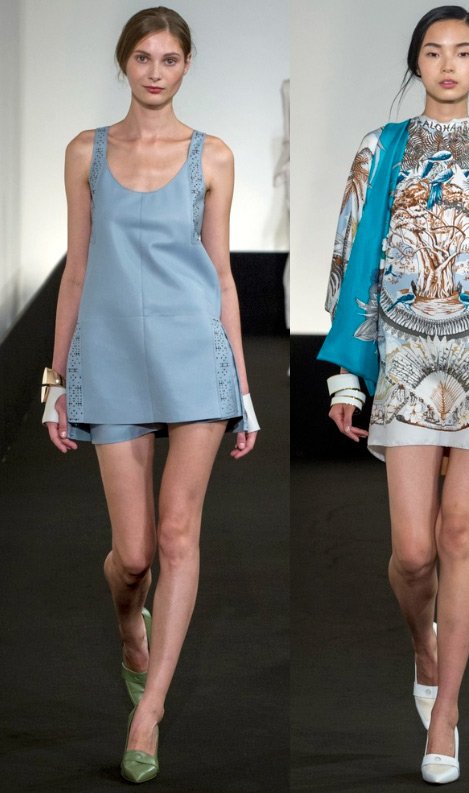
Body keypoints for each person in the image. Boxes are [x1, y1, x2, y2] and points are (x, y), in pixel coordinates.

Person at [40, 7, 259, 784]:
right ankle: (128, 623)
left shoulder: (213, 156)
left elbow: (222, 276)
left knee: (176, 534)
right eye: (143, 58)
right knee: (131, 556)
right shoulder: (86, 151)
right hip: (110, 357)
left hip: (194, 358)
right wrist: (55, 380)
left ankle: (150, 710)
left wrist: (243, 387)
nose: (156, 71)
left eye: (169, 58)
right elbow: (75, 270)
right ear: (124, 63)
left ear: (186, 65)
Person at [319, 5, 469, 785]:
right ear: (417, 63)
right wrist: (347, 371)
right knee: (413, 552)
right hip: (405, 353)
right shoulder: (380, 147)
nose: (448, 65)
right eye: (434, 52)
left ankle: (446, 711)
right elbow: (350, 253)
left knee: (460, 532)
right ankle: (423, 641)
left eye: (463, 52)